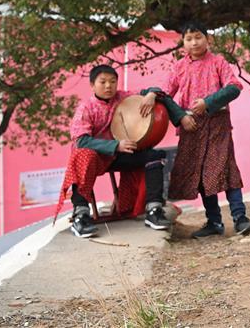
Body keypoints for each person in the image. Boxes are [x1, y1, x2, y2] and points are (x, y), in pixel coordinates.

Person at [54, 64, 183, 238]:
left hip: (117, 156)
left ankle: (154, 210)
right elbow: (81, 140)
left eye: (113, 81)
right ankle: (81, 215)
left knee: (154, 156)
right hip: (94, 158)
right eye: (103, 82)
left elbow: (153, 89)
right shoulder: (86, 108)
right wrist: (115, 146)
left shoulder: (123, 97)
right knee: (83, 154)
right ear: (92, 85)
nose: (108, 86)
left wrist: (151, 95)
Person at [162, 21, 250, 238]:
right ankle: (214, 222)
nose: (194, 42)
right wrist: (181, 117)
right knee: (201, 175)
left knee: (227, 168)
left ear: (207, 39)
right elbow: (164, 95)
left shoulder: (218, 62)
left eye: (198, 37)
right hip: (191, 126)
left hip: (217, 124)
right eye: (189, 39)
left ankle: (240, 219)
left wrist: (207, 102)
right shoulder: (178, 67)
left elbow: (234, 87)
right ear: (183, 43)